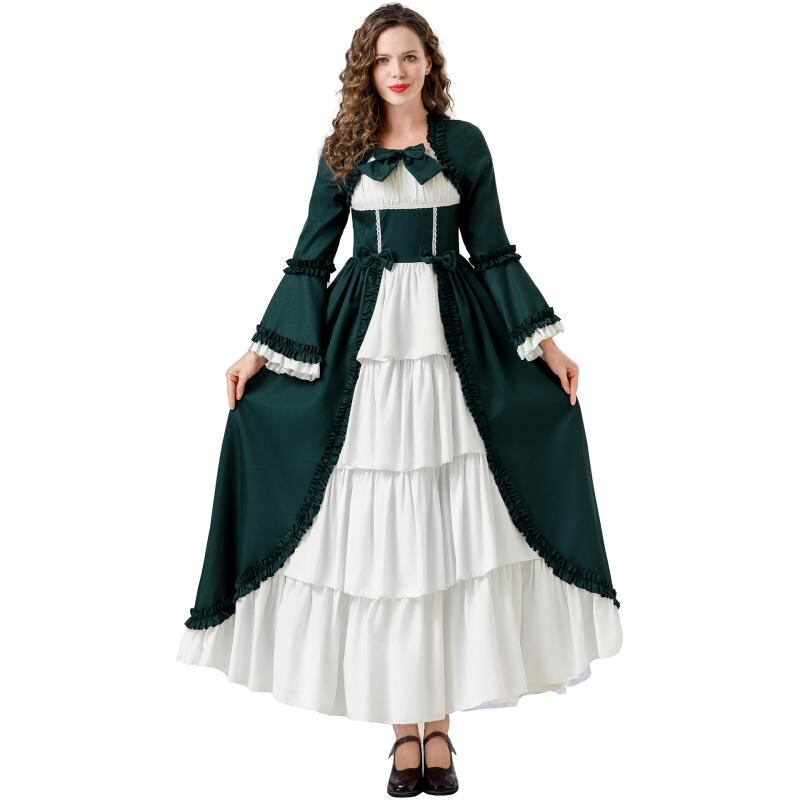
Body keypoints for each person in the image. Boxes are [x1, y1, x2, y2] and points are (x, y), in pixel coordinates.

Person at [176, 4, 623, 796]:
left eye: (409, 56)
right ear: (367, 69)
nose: (397, 70)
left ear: (428, 64)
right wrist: (257, 353)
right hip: (369, 348)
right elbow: (311, 257)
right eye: (384, 59)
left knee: (446, 523)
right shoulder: (344, 149)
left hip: (454, 346)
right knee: (388, 535)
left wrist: (548, 346)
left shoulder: (464, 144)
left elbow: (492, 250)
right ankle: (402, 736)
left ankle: (439, 733)